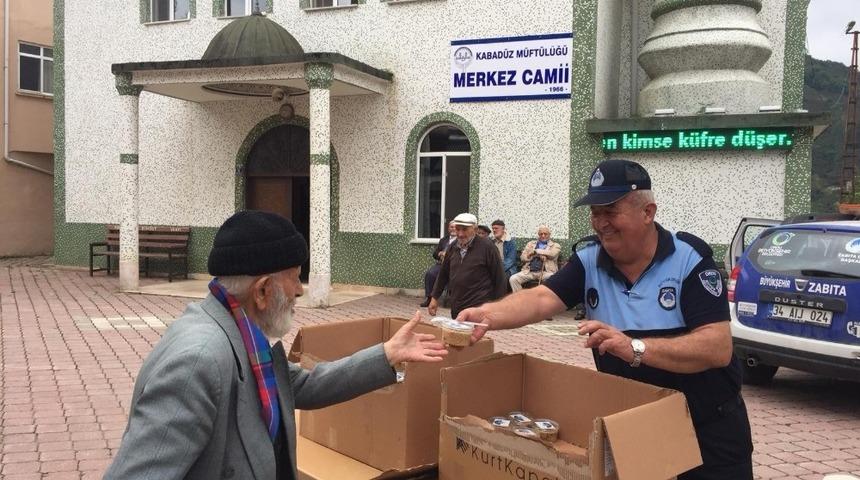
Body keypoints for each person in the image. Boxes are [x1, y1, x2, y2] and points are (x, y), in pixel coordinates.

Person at [462, 159, 753, 480]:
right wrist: (487, 315)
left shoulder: (689, 260)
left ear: (648, 212)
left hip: (707, 428)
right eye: (595, 212)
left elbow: (716, 347)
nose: (601, 223)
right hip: (637, 425)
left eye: (611, 211)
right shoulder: (589, 260)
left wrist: (635, 348)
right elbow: (542, 298)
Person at [104, 210, 448, 480]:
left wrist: (386, 354)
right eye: (295, 278)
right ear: (263, 291)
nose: (299, 290)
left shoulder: (247, 335)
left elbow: (303, 385)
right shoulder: (197, 364)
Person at [428, 212, 507, 319]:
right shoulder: (452, 247)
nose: (460, 234)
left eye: (464, 229)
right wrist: (434, 298)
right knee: (458, 328)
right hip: (457, 304)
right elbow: (443, 274)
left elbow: (499, 278)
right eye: (457, 229)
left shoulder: (488, 247)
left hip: (479, 306)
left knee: (474, 329)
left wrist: (497, 306)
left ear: (475, 229)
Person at [508, 225, 561, 292]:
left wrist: (536, 251)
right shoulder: (530, 244)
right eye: (541, 234)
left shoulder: (555, 245)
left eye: (545, 234)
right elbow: (522, 257)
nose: (543, 236)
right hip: (529, 272)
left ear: (549, 235)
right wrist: (530, 256)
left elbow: (552, 254)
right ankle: (521, 297)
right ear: (538, 235)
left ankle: (546, 298)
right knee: (513, 279)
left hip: (545, 273)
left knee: (554, 279)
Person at [421, 221, 457, 307]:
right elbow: (435, 253)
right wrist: (439, 253)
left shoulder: (460, 240)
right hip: (441, 265)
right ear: (448, 228)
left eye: (455, 227)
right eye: (451, 227)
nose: (453, 229)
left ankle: (451, 299)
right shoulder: (443, 240)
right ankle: (429, 298)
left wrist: (448, 255)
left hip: (454, 266)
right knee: (430, 274)